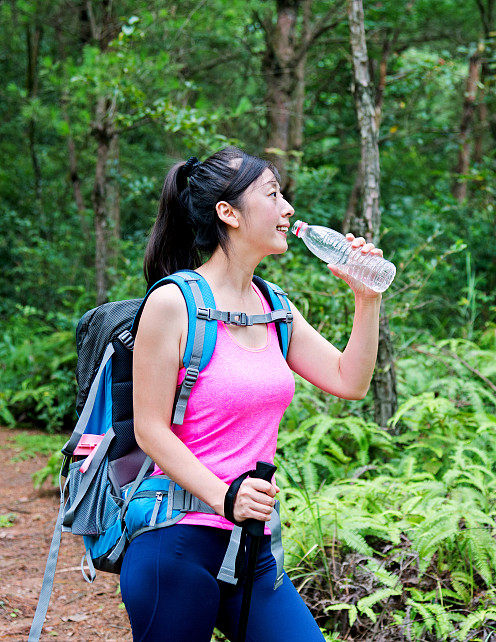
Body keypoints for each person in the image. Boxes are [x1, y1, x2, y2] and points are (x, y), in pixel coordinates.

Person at [121, 146, 384, 641]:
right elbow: (150, 428)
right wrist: (226, 497)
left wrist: (366, 300)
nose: (287, 208)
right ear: (228, 213)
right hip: (175, 545)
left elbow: (351, 381)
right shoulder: (173, 303)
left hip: (252, 551)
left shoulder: (275, 306)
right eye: (273, 194)